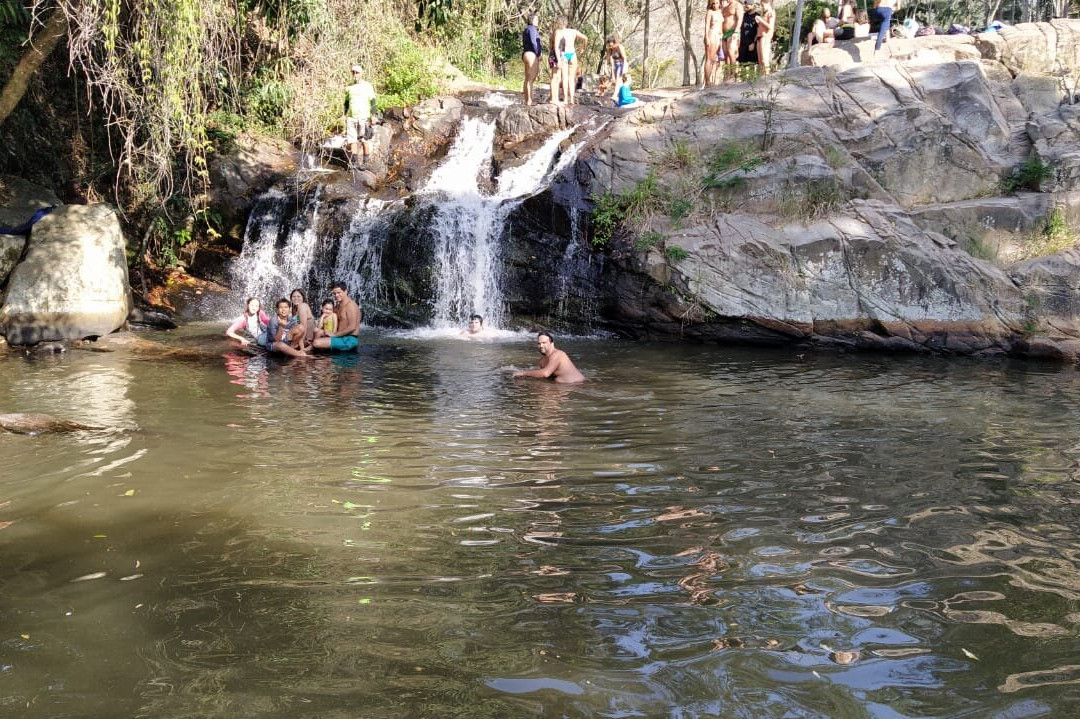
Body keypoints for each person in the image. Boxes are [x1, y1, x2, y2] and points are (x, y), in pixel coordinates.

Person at [514, 330, 586, 384]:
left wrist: (523, 373)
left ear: (552, 343)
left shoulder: (558, 354)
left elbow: (545, 373)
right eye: (539, 343)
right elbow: (542, 375)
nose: (541, 346)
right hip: (564, 388)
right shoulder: (542, 361)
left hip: (579, 386)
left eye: (544, 343)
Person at [311, 281, 361, 352]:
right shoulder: (337, 307)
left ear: (345, 291)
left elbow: (352, 327)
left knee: (316, 342)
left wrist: (335, 335)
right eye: (334, 293)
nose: (336, 295)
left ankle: (310, 349)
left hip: (349, 339)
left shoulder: (350, 306)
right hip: (339, 337)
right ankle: (313, 348)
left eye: (339, 292)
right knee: (317, 331)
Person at [343, 64, 377, 165]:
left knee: (364, 140)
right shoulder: (349, 87)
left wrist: (373, 115)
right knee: (352, 141)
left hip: (363, 118)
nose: (355, 74)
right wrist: (344, 114)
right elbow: (347, 102)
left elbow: (373, 101)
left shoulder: (367, 86)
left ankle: (365, 163)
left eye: (357, 72)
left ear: (361, 73)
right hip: (351, 118)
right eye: (353, 72)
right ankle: (355, 163)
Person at [554, 17, 588, 106]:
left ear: (559, 23)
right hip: (572, 53)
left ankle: (565, 99)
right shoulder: (573, 31)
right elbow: (585, 38)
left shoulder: (559, 32)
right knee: (571, 78)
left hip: (564, 54)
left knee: (565, 78)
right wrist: (582, 48)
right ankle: (572, 99)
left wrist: (558, 60)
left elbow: (556, 48)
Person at [720, 0, 744, 81]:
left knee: (731, 51)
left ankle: (734, 74)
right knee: (725, 53)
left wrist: (736, 30)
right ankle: (727, 75)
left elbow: (740, 19)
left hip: (732, 31)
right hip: (724, 33)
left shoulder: (737, 5)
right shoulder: (725, 6)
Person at [522, 14, 542, 106]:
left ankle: (527, 100)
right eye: (536, 19)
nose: (538, 21)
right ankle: (530, 100)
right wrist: (538, 53)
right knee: (531, 78)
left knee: (527, 79)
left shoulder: (526, 29)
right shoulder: (532, 29)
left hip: (526, 53)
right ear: (532, 20)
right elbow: (534, 42)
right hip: (531, 54)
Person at [704, 0, 723, 87]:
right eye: (713, 3)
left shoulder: (720, 12)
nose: (715, 5)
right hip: (711, 34)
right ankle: (707, 81)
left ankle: (712, 80)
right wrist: (707, 37)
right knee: (709, 59)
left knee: (715, 59)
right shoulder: (710, 12)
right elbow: (707, 25)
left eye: (716, 3)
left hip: (719, 37)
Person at [755, 0, 776, 74]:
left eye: (763, 4)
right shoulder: (763, 13)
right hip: (759, 37)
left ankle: (767, 79)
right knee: (760, 61)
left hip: (765, 37)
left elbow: (770, 26)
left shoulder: (771, 12)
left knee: (764, 60)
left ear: (769, 3)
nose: (762, 6)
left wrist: (760, 20)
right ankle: (762, 79)